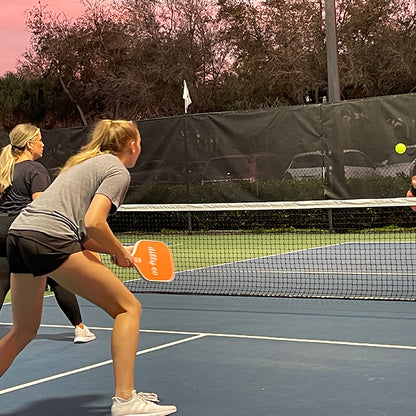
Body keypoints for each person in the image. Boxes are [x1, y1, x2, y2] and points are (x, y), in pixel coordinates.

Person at [0, 120, 177, 416]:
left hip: (20, 235)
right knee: (128, 308)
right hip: (48, 238)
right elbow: (94, 222)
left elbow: (82, 235)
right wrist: (119, 252)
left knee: (23, 330)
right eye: (140, 142)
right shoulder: (117, 170)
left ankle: (127, 393)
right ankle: (125, 400)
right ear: (132, 145)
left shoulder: (85, 164)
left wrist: (122, 251)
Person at [0, 123, 95, 343]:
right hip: (24, 230)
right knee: (58, 277)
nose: (43, 144)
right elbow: (40, 207)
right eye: (40, 139)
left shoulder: (5, 168)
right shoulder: (36, 170)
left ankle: (80, 327)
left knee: (2, 280)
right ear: (29, 144)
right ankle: (80, 329)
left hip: (2, 231)